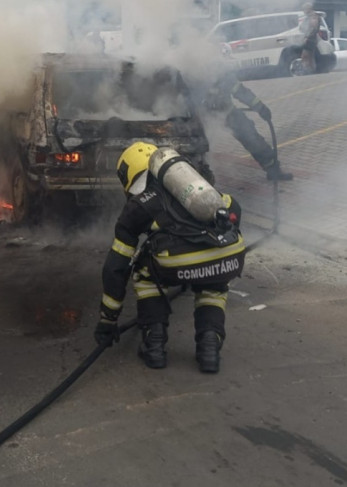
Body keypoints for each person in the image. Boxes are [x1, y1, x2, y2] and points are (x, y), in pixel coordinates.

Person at [94, 142, 246, 373]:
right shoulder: (195, 189)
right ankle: (209, 347)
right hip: (227, 255)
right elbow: (233, 206)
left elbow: (116, 267)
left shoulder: (138, 205)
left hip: (176, 263)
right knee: (212, 288)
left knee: (144, 275)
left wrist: (108, 320)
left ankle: (154, 343)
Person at [184, 52, 293, 182]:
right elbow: (188, 101)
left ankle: (273, 170)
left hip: (229, 113)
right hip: (205, 119)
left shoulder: (224, 75)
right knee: (198, 146)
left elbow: (241, 92)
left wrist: (261, 108)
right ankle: (196, 176)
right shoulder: (194, 78)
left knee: (252, 138)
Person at [299, 2, 321, 74]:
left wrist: (307, 37)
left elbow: (313, 29)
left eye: (304, 9)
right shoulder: (309, 17)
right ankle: (311, 72)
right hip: (310, 39)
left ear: (308, 9)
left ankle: (308, 72)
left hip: (310, 39)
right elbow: (303, 28)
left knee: (306, 56)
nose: (304, 11)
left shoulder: (313, 16)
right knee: (309, 57)